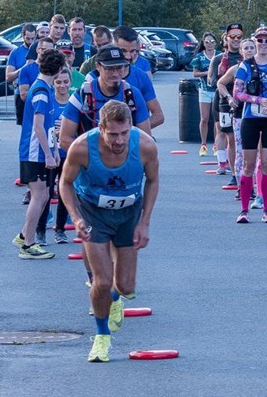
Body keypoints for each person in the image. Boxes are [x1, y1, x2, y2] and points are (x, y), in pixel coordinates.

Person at [58, 100, 160, 363]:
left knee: (125, 286)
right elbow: (65, 183)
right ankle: (101, 337)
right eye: (113, 134)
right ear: (100, 128)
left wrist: (144, 222)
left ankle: (115, 298)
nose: (119, 140)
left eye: (124, 133)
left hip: (129, 213)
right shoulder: (82, 148)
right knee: (101, 281)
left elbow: (153, 180)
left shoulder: (146, 146)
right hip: (94, 213)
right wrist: (76, 218)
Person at [227, 31, 267, 223]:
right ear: (255, 42)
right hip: (251, 117)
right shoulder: (245, 66)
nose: (263, 44)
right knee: (248, 164)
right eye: (260, 40)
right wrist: (259, 100)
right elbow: (237, 92)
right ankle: (244, 209)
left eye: (266, 41)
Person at [14, 49, 66, 259]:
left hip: (41, 150)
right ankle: (28, 244)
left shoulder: (45, 88)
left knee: (43, 195)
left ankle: (24, 234)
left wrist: (54, 148)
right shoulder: (42, 92)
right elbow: (38, 126)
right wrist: (48, 154)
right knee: (39, 196)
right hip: (33, 152)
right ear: (59, 69)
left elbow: (50, 127)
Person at [111, 26, 166, 130]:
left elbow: (158, 116)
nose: (128, 56)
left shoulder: (141, 77)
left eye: (133, 51)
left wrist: (132, 131)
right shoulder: (95, 75)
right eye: (123, 51)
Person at [209, 24, 244, 181]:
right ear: (226, 38)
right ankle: (231, 170)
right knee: (228, 136)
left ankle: (243, 169)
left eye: (239, 37)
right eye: (233, 37)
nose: (236, 40)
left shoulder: (248, 57)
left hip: (244, 101)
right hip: (223, 100)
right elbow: (213, 81)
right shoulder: (218, 59)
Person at [191, 33, 217, 157]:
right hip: (205, 90)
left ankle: (217, 145)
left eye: (212, 41)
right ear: (203, 43)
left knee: (217, 120)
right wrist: (208, 72)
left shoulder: (220, 55)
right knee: (204, 118)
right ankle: (203, 144)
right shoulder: (199, 57)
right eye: (207, 42)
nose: (209, 44)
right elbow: (195, 74)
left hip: (217, 90)